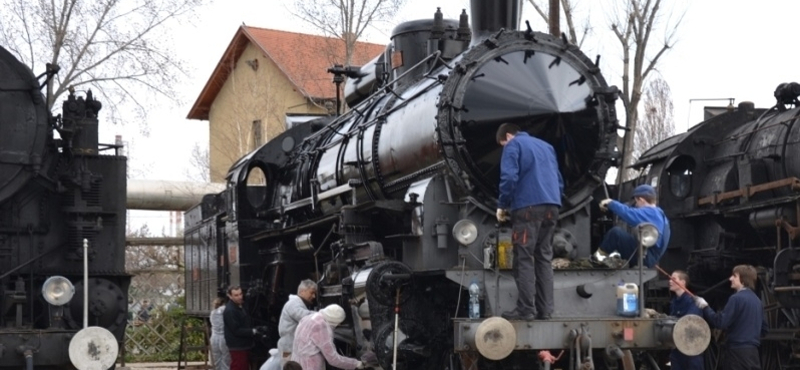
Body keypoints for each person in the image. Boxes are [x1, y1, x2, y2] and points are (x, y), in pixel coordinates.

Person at [495, 123, 563, 321]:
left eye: (502, 144)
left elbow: (509, 177)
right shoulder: (546, 146)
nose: (504, 148)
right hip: (552, 206)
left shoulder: (513, 145)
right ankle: (546, 310)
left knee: (523, 257)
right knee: (544, 257)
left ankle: (526, 309)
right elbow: (558, 181)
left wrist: (503, 205)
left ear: (508, 136)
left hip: (527, 207)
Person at [694, 265, 767, 370]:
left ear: (743, 279)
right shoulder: (757, 301)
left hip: (736, 354)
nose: (730, 278)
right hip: (753, 353)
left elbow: (720, 323)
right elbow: (764, 329)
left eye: (734, 276)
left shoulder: (735, 299)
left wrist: (705, 307)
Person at [597, 184, 671, 268]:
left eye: (636, 202)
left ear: (641, 200)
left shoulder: (651, 213)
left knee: (616, 233)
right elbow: (630, 209)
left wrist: (610, 203)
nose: (636, 205)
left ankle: (597, 259)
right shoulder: (658, 213)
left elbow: (628, 213)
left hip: (646, 257)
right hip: (650, 256)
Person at [291, 304, 364, 370]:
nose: (338, 326)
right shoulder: (321, 326)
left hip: (295, 364)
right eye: (338, 323)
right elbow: (333, 359)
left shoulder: (308, 318)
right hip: (310, 366)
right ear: (334, 321)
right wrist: (356, 364)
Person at [668, 270, 704, 370]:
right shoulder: (674, 302)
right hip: (677, 347)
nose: (670, 281)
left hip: (691, 349)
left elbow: (689, 321)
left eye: (673, 279)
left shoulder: (692, 301)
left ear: (683, 282)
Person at [278, 280, 317, 365]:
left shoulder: (298, 304)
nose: (314, 296)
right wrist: (323, 314)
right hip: (288, 347)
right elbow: (304, 316)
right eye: (312, 293)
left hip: (292, 346)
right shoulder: (293, 303)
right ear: (302, 291)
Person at [223, 286, 263, 370]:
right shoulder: (230, 310)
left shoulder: (240, 306)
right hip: (237, 346)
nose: (240, 297)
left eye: (240, 294)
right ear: (230, 296)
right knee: (238, 366)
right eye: (236, 295)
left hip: (243, 345)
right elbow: (236, 330)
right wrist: (252, 331)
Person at [210, 297, 230, 370]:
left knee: (216, 360)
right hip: (223, 337)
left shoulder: (212, 312)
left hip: (214, 337)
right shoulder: (224, 309)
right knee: (225, 359)